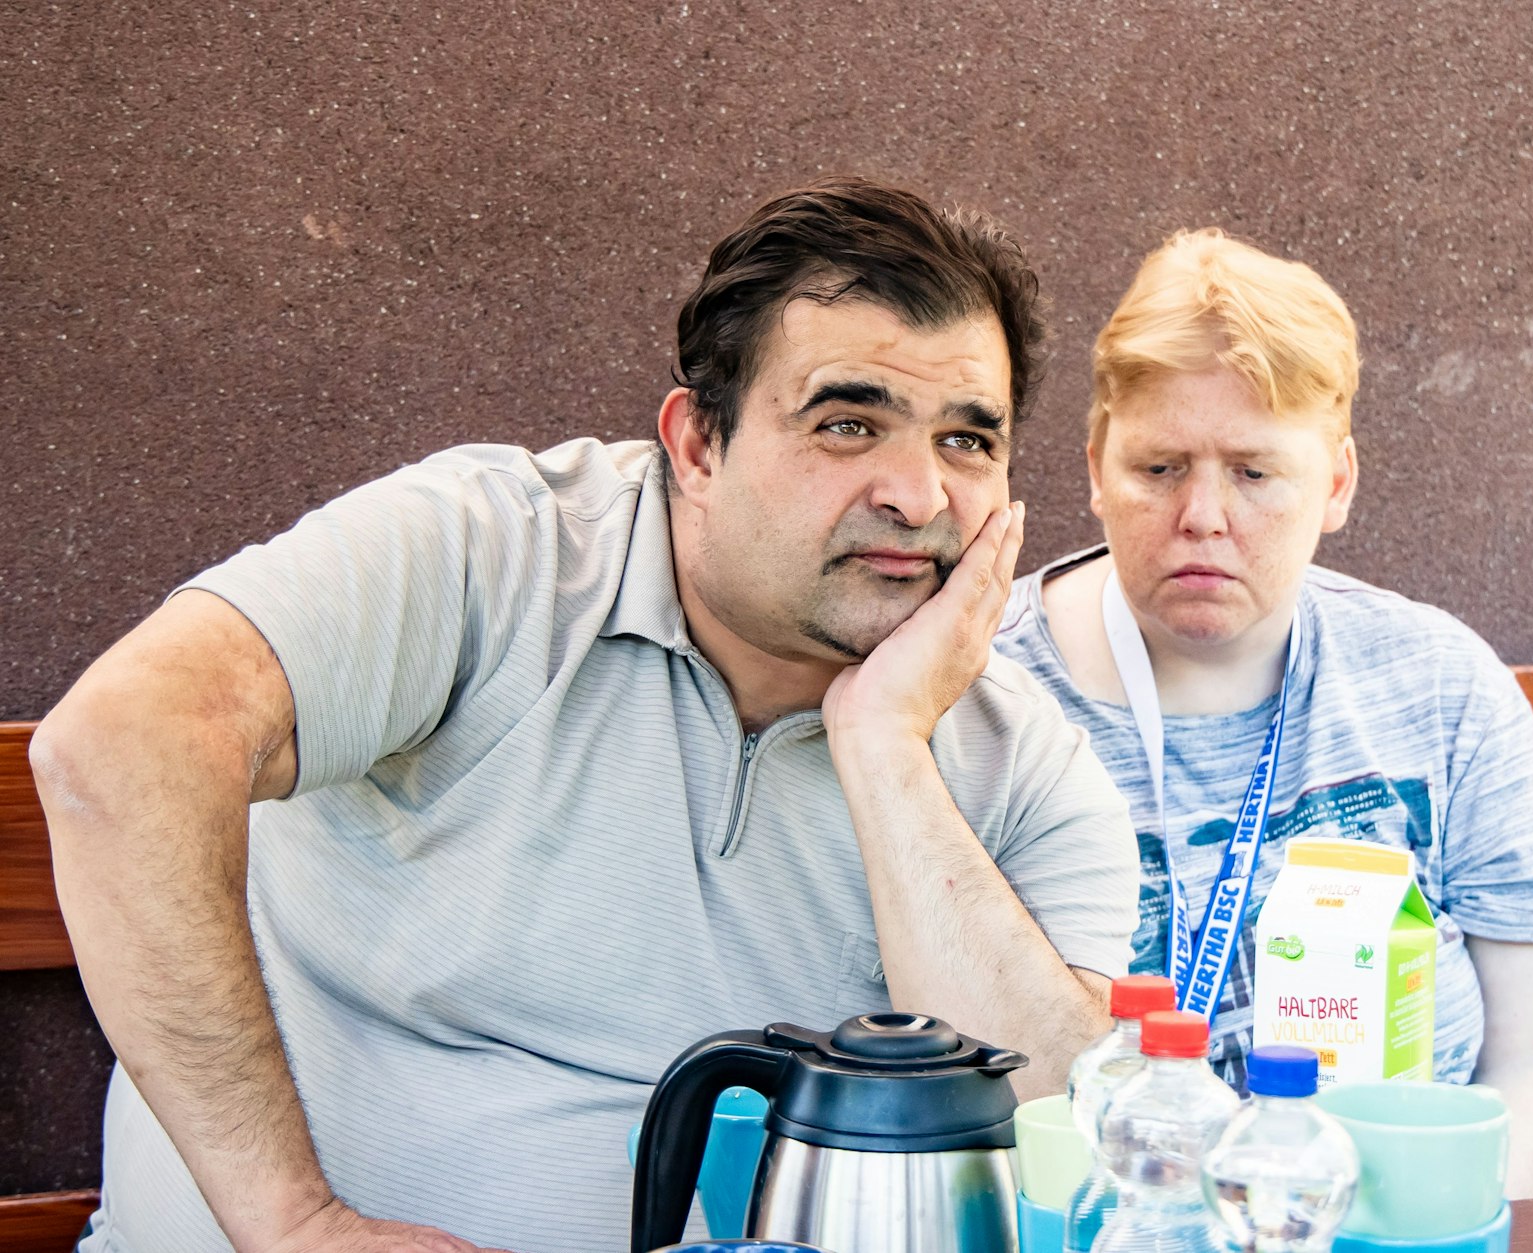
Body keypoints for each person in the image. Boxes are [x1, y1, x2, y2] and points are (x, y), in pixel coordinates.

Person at [30, 178, 1140, 1253]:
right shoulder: (491, 555)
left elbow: (1062, 1139)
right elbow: (119, 747)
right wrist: (293, 1223)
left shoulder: (1016, 759)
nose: (919, 496)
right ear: (697, 445)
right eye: (848, 423)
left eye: (966, 440)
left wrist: (886, 746)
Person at [994, 228, 1533, 1198]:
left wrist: (1341, 1208)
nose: (1201, 512)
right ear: (1092, 467)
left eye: (1252, 470)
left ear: (1335, 481)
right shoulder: (985, 689)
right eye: (1158, 467)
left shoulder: (1439, 685)